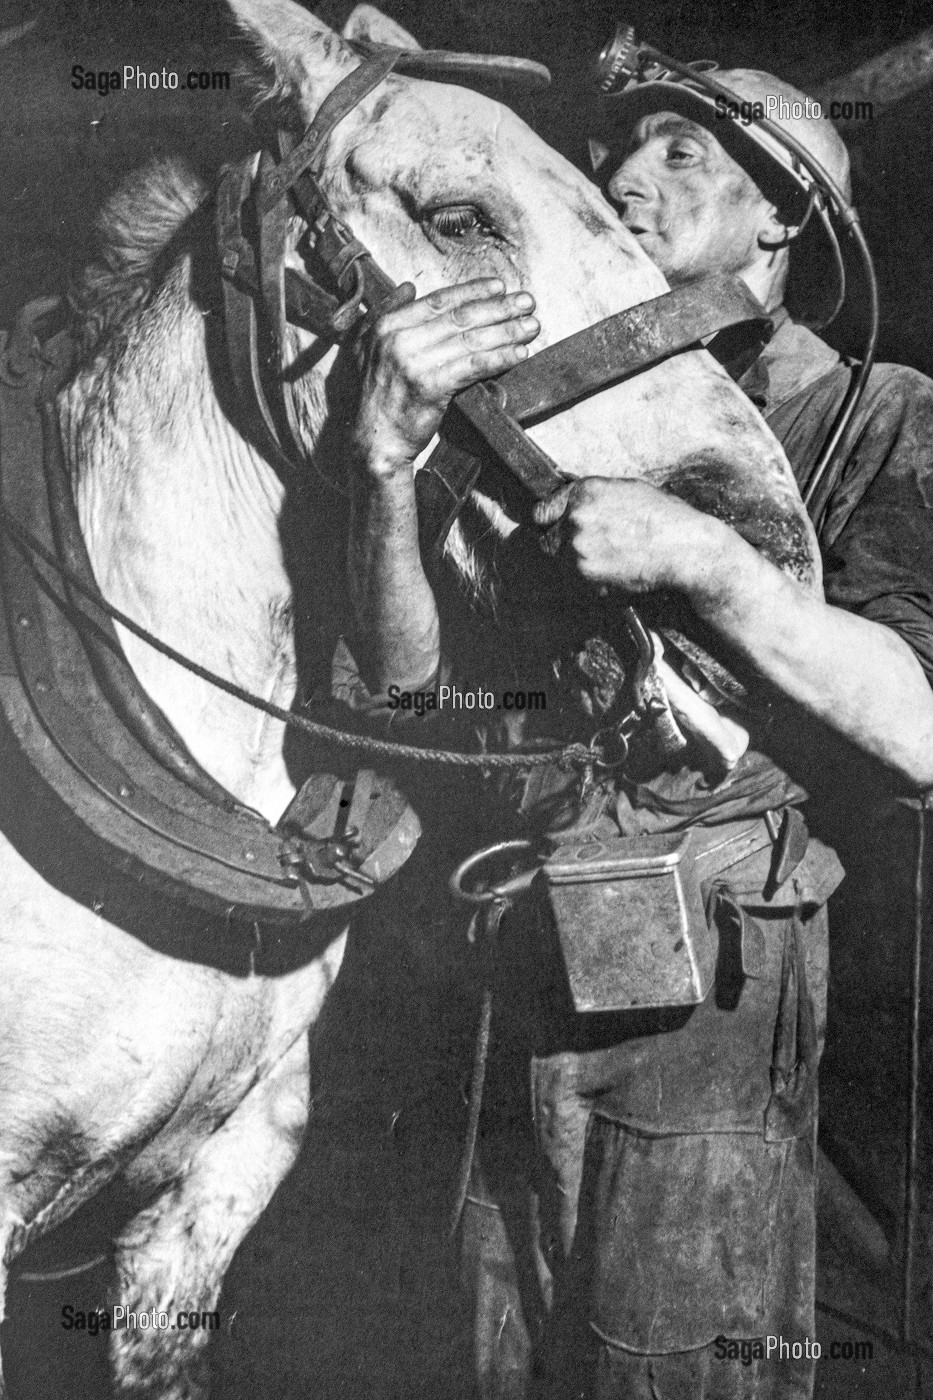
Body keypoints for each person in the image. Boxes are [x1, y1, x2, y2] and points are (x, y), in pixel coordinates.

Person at [343, 68, 933, 1400]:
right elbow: (413, 697)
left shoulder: (879, 414)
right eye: (616, 155)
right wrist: (386, 472)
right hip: (520, 938)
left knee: (674, 1353)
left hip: (715, 959)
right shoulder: (540, 412)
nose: (620, 180)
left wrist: (713, 566)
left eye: (681, 156)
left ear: (786, 221)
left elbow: (919, 725)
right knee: (493, 1336)